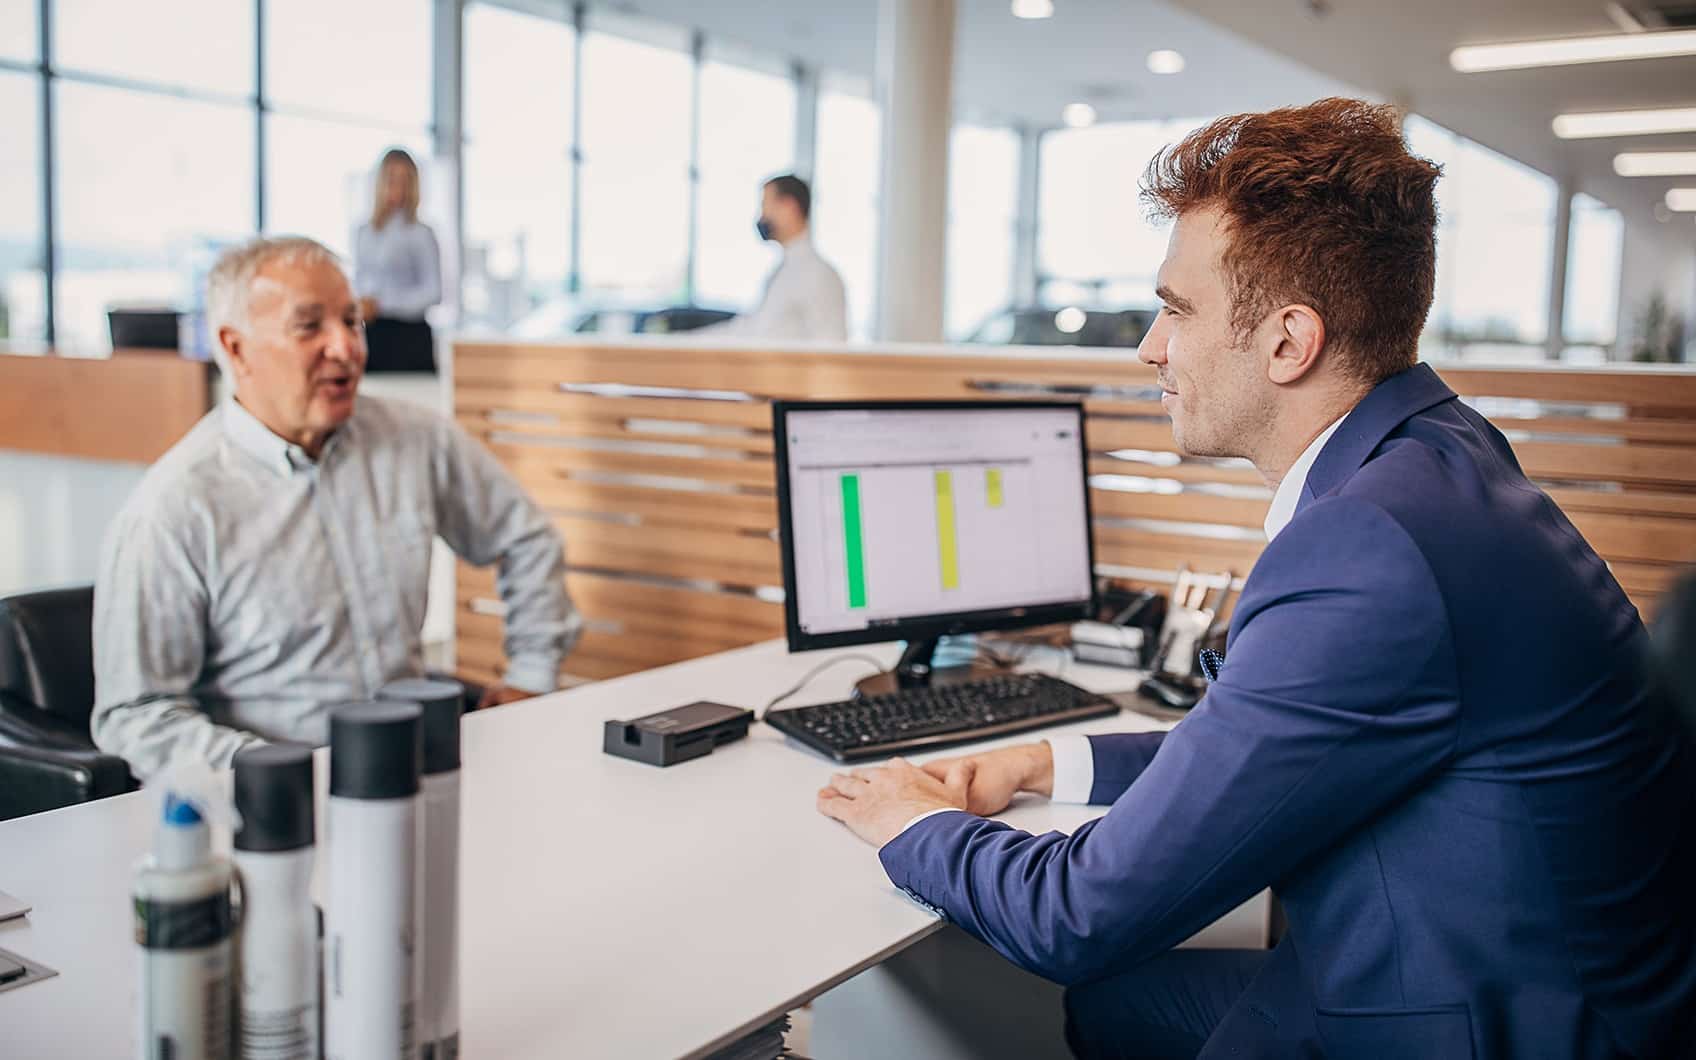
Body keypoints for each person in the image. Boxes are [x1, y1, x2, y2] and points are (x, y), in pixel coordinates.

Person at [814, 99, 1696, 1059]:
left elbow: (1077, 915)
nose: (1150, 347)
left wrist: (915, 823)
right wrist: (1045, 762)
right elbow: (1262, 751)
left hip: (1493, 1025)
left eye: (1176, 311)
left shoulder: (1368, 547)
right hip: (1509, 970)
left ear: (1287, 341)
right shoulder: (1440, 451)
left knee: (1093, 974)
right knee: (1115, 1006)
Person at [93, 236, 580, 781]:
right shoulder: (174, 508)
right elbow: (136, 716)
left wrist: (532, 677)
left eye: (352, 322)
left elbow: (527, 538)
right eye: (310, 326)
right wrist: (275, 774)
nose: (346, 348)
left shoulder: (414, 441)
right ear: (235, 348)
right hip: (273, 809)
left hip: (417, 772)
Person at [700, 174, 848, 342]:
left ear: (789, 207)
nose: (761, 217)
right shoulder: (785, 271)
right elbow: (749, 330)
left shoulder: (819, 274)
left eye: (765, 206)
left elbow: (832, 346)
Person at [354, 147, 442, 372]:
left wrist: (383, 304)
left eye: (405, 180)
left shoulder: (421, 233)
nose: (397, 187)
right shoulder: (364, 232)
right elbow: (361, 279)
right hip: (373, 334)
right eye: (392, 178)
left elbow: (433, 292)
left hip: (410, 337)